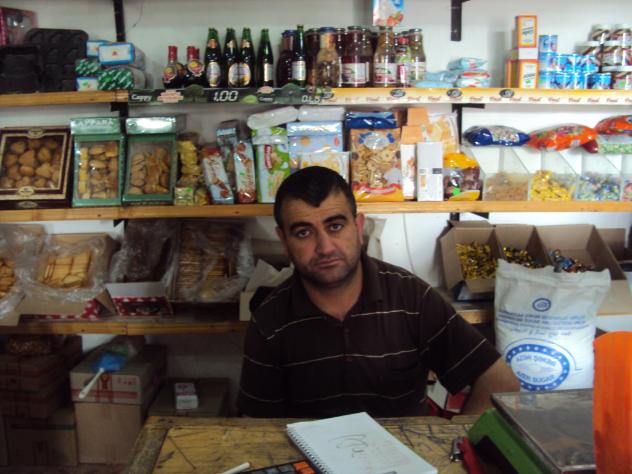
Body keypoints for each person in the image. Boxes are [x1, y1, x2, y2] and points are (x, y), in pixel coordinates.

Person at [237, 166, 519, 418]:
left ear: (359, 227)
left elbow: (500, 381)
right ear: (284, 241)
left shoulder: (411, 297)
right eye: (303, 233)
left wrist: (457, 443)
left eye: (335, 226)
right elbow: (257, 427)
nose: (325, 247)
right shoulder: (270, 321)